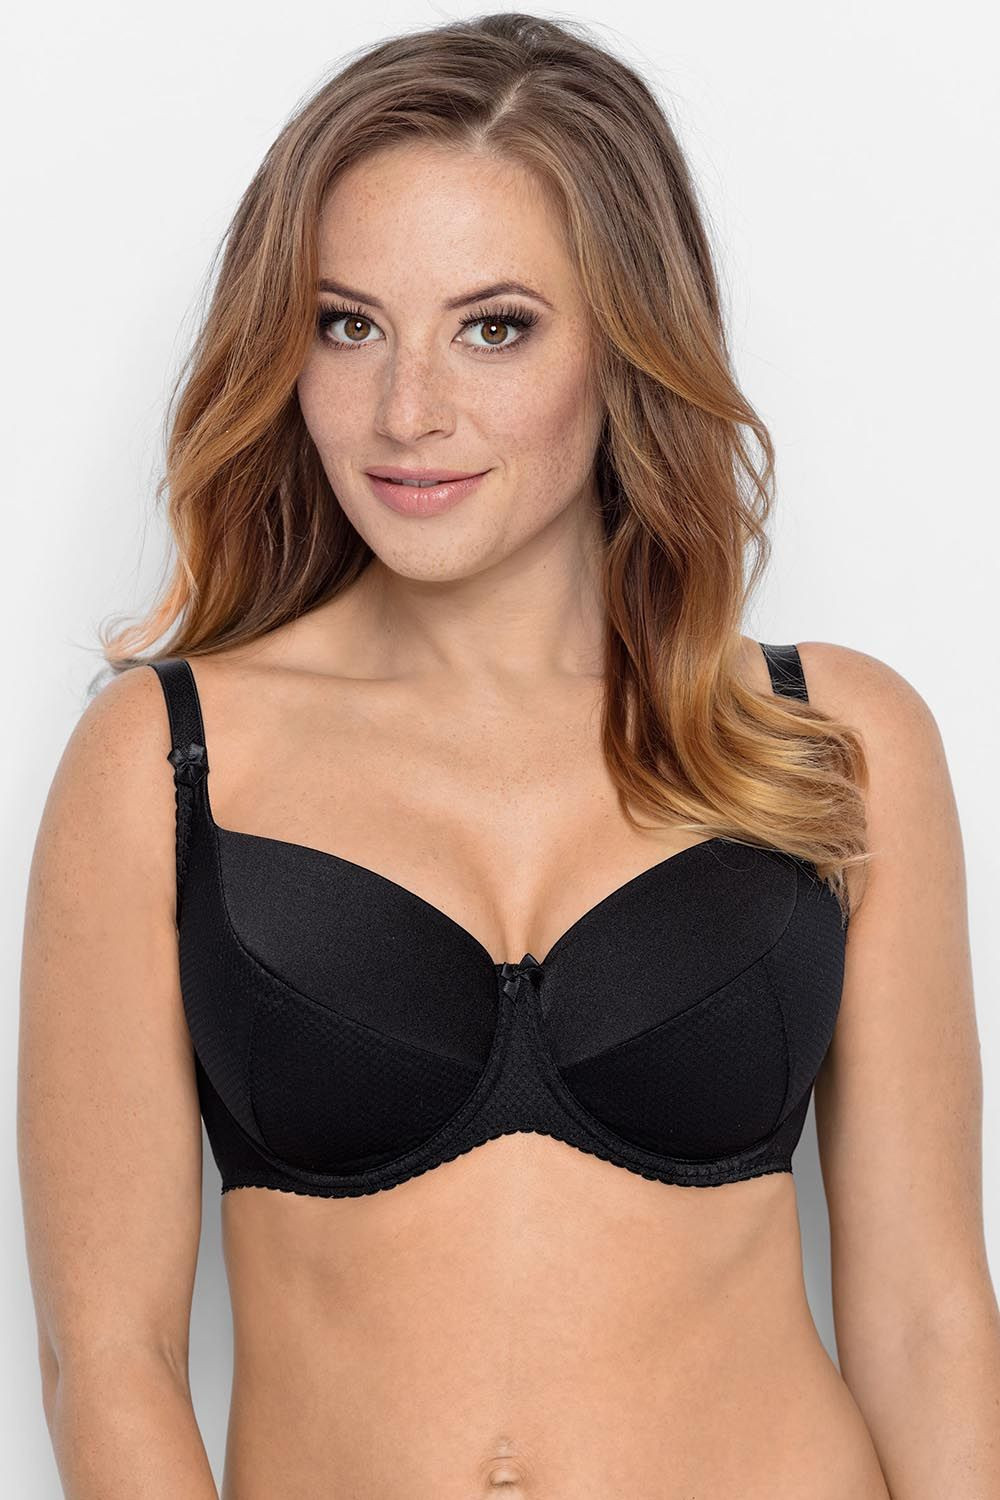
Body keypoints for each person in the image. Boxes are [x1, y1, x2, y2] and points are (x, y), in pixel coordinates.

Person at [18, 11, 1000, 1499]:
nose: (407, 411)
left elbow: (929, 1322)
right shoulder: (163, 761)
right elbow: (111, 1357)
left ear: (626, 340)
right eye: (346, 325)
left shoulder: (832, 739)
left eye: (495, 327)